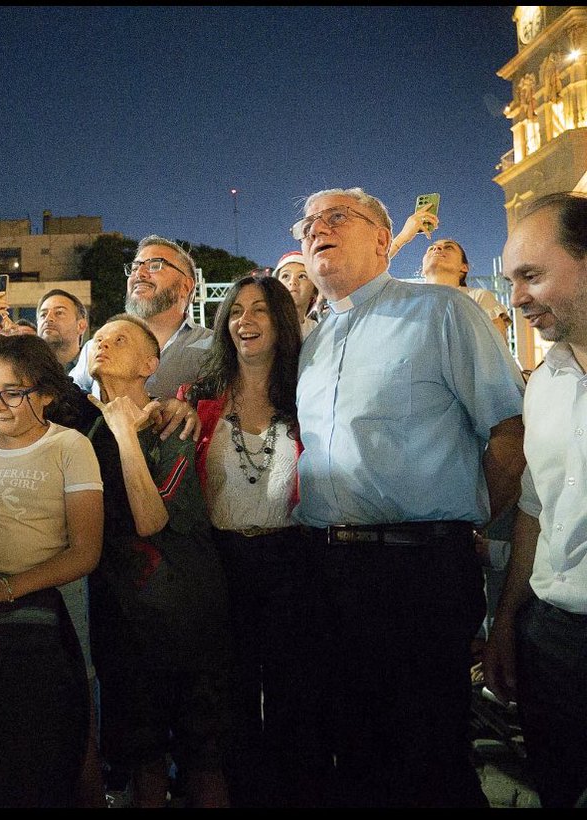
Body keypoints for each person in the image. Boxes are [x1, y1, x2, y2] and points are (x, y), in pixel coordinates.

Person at [292, 187, 526, 808]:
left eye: (336, 215)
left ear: (381, 237)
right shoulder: (311, 342)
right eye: (308, 221)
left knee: (429, 759)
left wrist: (471, 517)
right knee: (355, 754)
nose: (317, 228)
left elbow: (508, 430)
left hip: (416, 572)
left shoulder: (442, 312)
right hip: (325, 570)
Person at [189, 276, 327, 807]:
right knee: (232, 699)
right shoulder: (200, 400)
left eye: (259, 311)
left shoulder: (309, 397)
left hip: (293, 560)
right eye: (236, 311)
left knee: (297, 696)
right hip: (222, 563)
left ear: (282, 323)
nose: (244, 320)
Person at [85, 314, 232, 808]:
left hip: (187, 619)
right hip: (123, 624)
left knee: (203, 761)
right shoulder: (82, 431)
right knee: (142, 761)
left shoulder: (171, 425)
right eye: (99, 338)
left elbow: (151, 520)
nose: (103, 344)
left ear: (151, 364)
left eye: (119, 339)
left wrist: (128, 432)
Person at [0, 333, 104, 806]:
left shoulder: (70, 446)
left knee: (71, 733)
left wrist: (9, 588)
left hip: (55, 602)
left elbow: (85, 552)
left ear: (45, 394)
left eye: (13, 392)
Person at [484, 192, 587, 809]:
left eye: (533, 274)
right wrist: (506, 624)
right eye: (512, 277)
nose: (517, 296)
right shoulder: (543, 386)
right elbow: (534, 510)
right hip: (554, 644)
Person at [70, 235, 212, 400]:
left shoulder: (215, 349)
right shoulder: (96, 347)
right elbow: (68, 401)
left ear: (185, 286)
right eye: (135, 267)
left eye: (155, 266)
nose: (140, 274)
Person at [421, 239, 512, 341]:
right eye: (431, 248)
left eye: (448, 247)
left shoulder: (477, 297)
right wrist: (403, 238)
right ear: (422, 269)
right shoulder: (409, 300)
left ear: (464, 267)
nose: (436, 248)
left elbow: (498, 349)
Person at [37, 288, 89, 373]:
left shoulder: (93, 370)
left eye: (59, 313)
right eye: (43, 315)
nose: (48, 319)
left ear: (81, 326)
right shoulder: (26, 370)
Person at [272, 251, 319, 339]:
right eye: (285, 276)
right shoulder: (266, 327)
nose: (292, 282)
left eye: (302, 276)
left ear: (314, 290)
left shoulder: (316, 330)